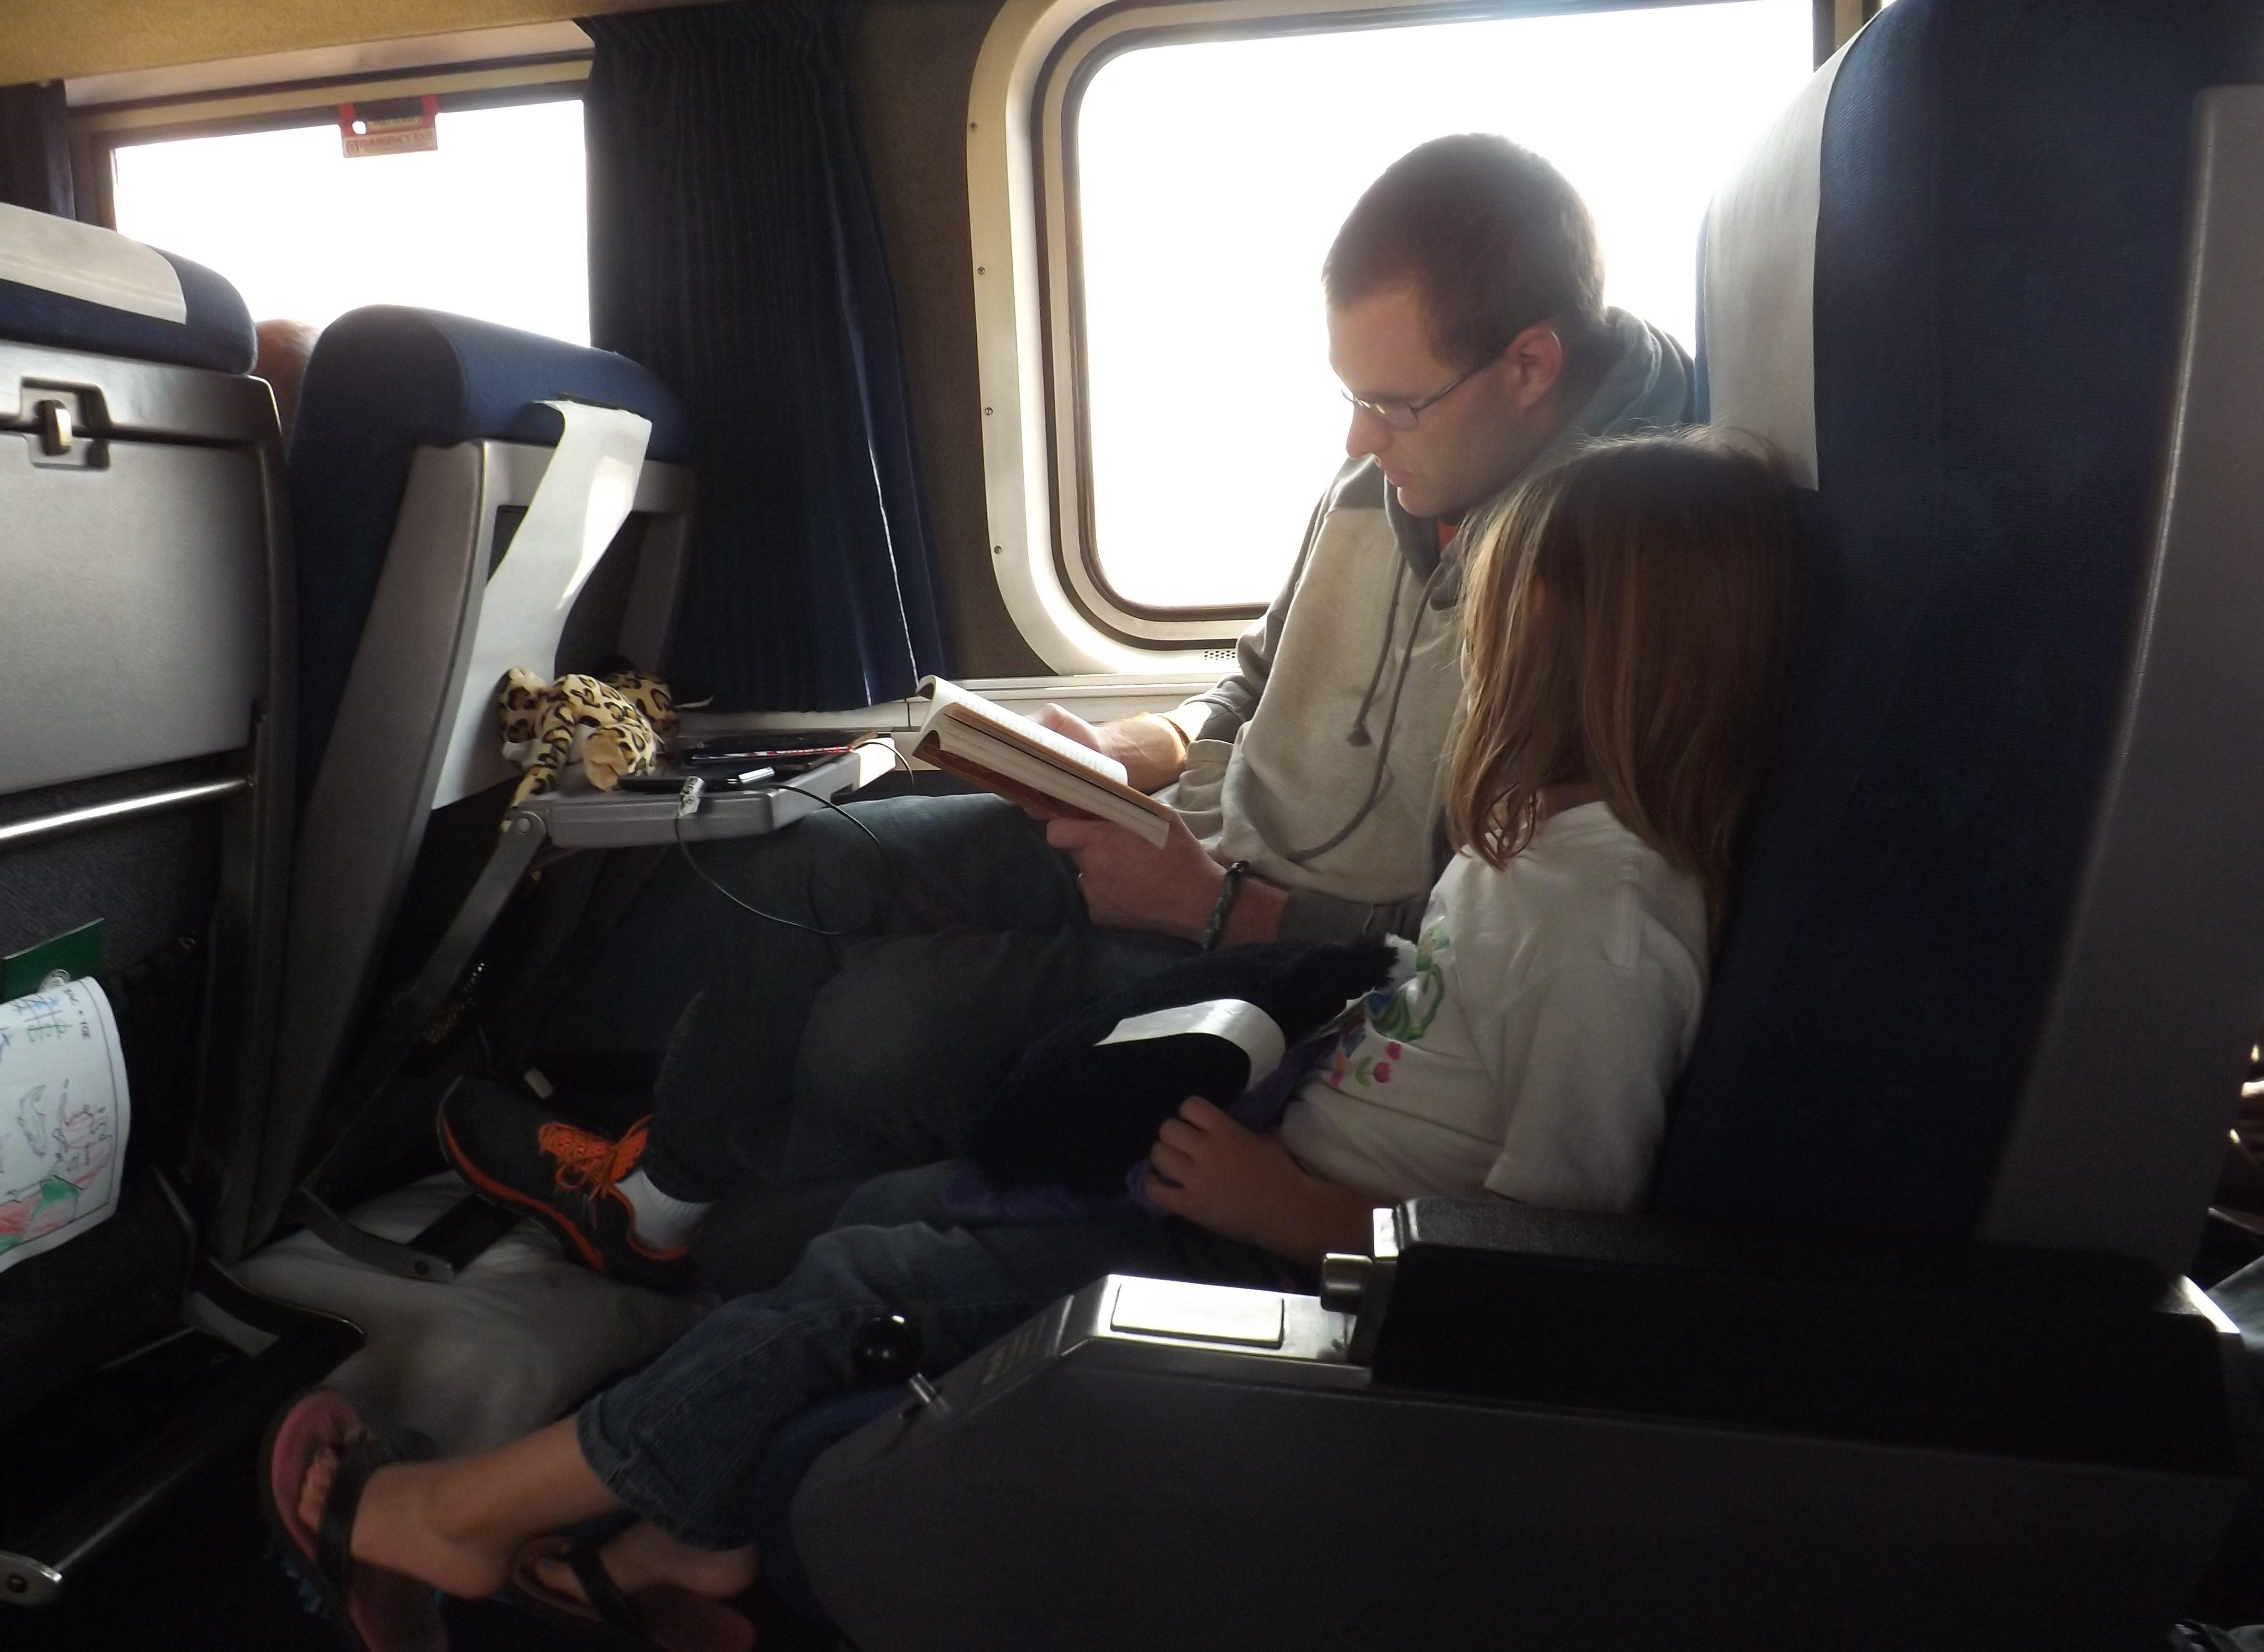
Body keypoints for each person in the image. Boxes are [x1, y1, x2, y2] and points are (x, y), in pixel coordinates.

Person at [268, 431, 1800, 1648]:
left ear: (1580, 658)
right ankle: (693, 1538)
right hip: (1259, 1162)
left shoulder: (1610, 922)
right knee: (864, 1206)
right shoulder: (1540, 849)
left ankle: (452, 1524)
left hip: (1281, 1261)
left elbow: (1542, 1265)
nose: (1477, 670)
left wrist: (1290, 1211)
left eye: (1501, 632)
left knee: (862, 1286)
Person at [437, 133, 1696, 1287]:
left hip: (1294, 960)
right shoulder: (1391, 471)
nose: (1358, 439)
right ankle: (659, 1201)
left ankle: (742, 1235)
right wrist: (1133, 750)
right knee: (808, 859)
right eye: (1350, 395)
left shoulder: (1609, 573)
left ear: (1529, 364)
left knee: (874, 1038)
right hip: (1187, 835)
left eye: (1394, 403)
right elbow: (1252, 680)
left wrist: (1215, 908)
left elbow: (1472, 935)